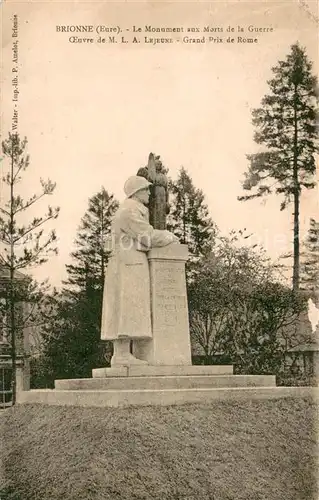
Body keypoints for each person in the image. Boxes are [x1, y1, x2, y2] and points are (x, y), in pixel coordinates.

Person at [101, 175, 178, 366]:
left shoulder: (132, 210)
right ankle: (121, 355)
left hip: (129, 263)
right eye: (145, 190)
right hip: (129, 264)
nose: (149, 193)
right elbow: (147, 236)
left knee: (128, 307)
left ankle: (124, 354)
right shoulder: (129, 212)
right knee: (127, 307)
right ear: (136, 192)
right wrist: (169, 236)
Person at [137, 152, 170, 230]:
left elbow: (166, 190)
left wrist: (167, 202)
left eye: (160, 164)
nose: (160, 165)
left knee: (162, 216)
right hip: (154, 197)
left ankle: (162, 231)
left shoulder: (163, 176)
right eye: (158, 164)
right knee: (154, 215)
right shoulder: (152, 175)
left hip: (162, 198)